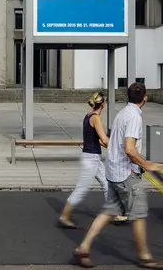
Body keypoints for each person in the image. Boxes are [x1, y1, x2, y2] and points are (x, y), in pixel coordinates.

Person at [72, 82, 163, 269]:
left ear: (127, 97)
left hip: (112, 170)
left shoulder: (122, 113)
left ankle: (83, 247)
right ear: (145, 98)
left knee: (109, 210)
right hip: (126, 173)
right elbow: (130, 149)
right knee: (138, 214)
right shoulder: (134, 117)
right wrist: (147, 164)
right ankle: (145, 257)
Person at [58, 92, 128, 228]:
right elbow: (104, 139)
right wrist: (119, 149)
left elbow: (96, 140)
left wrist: (108, 145)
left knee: (107, 184)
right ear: (103, 104)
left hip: (93, 158)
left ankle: (115, 214)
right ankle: (64, 216)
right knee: (82, 188)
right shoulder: (96, 118)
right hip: (91, 159)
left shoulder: (88, 116)